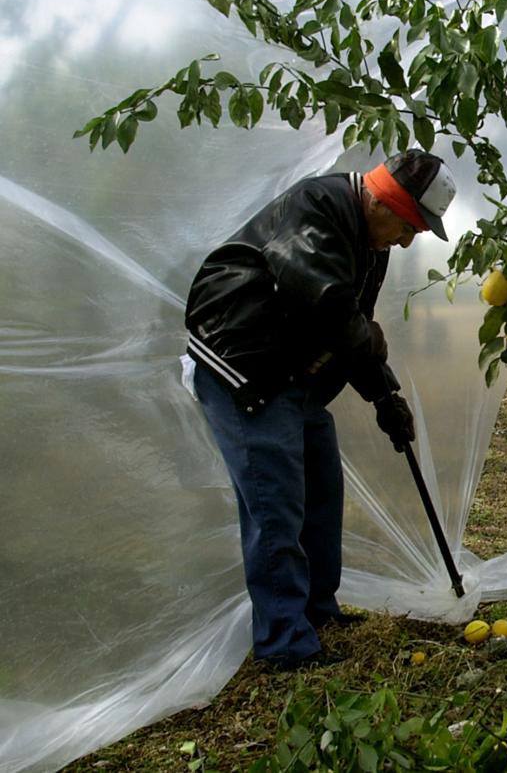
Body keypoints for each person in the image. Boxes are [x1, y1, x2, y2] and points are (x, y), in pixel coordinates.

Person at [183, 149, 457, 670]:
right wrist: (377, 365)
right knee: (276, 502)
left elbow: (353, 327)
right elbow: (332, 307)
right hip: (246, 364)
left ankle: (316, 610)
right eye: (409, 226)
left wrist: (385, 397)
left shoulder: (371, 241)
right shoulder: (316, 205)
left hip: (295, 370)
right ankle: (285, 641)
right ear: (382, 199)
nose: (406, 239)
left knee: (322, 489)